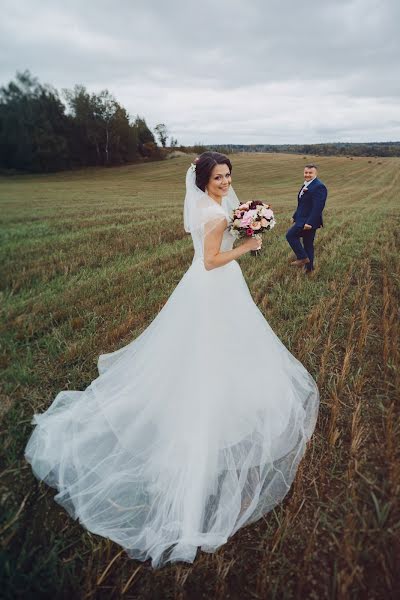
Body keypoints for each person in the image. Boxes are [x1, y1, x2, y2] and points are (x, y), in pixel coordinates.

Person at [25, 152, 319, 568]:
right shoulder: (214, 213)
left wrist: (244, 222)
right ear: (203, 180)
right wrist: (249, 243)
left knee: (209, 348)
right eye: (218, 177)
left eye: (228, 175)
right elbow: (212, 259)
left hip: (202, 288)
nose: (225, 182)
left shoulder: (206, 206)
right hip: (213, 283)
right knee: (211, 351)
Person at [286, 164, 328, 274]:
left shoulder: (319, 186)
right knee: (308, 244)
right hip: (302, 218)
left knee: (290, 235)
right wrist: (295, 216)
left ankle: (302, 257)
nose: (307, 175)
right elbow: (303, 204)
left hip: (308, 221)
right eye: (306, 172)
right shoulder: (307, 185)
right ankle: (309, 269)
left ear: (315, 174)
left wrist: (310, 222)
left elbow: (318, 207)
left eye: (310, 173)